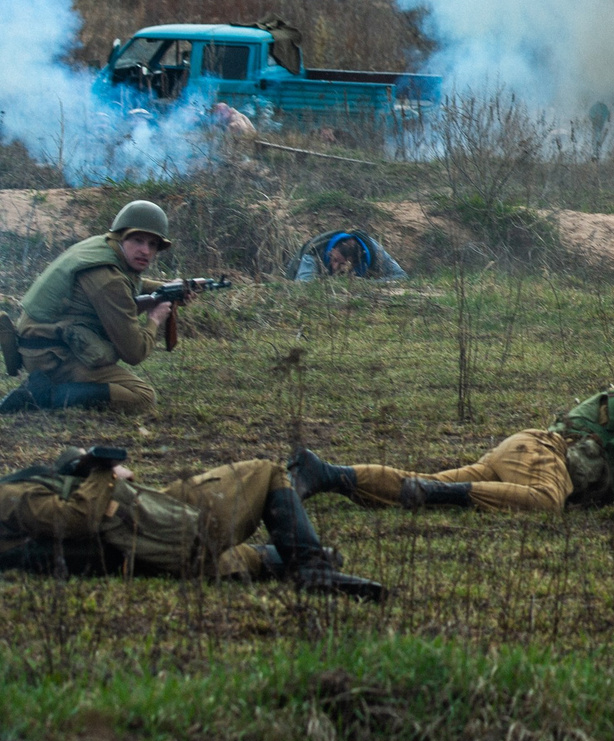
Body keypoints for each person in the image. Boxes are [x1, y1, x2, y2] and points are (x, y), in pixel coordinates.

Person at [290, 356, 614, 516]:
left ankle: (327, 474)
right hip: (543, 458)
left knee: (424, 479)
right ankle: (440, 496)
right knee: (545, 502)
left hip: (519, 451)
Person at [0, 443, 385, 598]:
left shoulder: (12, 494)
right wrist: (103, 471)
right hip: (152, 532)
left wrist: (76, 464)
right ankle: (311, 568)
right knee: (266, 472)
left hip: (146, 529)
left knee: (255, 559)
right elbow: (74, 519)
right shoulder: (6, 496)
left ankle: (295, 558)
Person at [1, 201, 193, 415]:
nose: (145, 251)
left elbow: (129, 283)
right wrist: (154, 319)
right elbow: (134, 352)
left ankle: (46, 388)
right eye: (138, 240)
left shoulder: (100, 248)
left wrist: (167, 289)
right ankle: (45, 396)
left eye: (153, 244)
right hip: (53, 357)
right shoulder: (108, 279)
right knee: (142, 397)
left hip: (42, 345)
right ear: (122, 236)